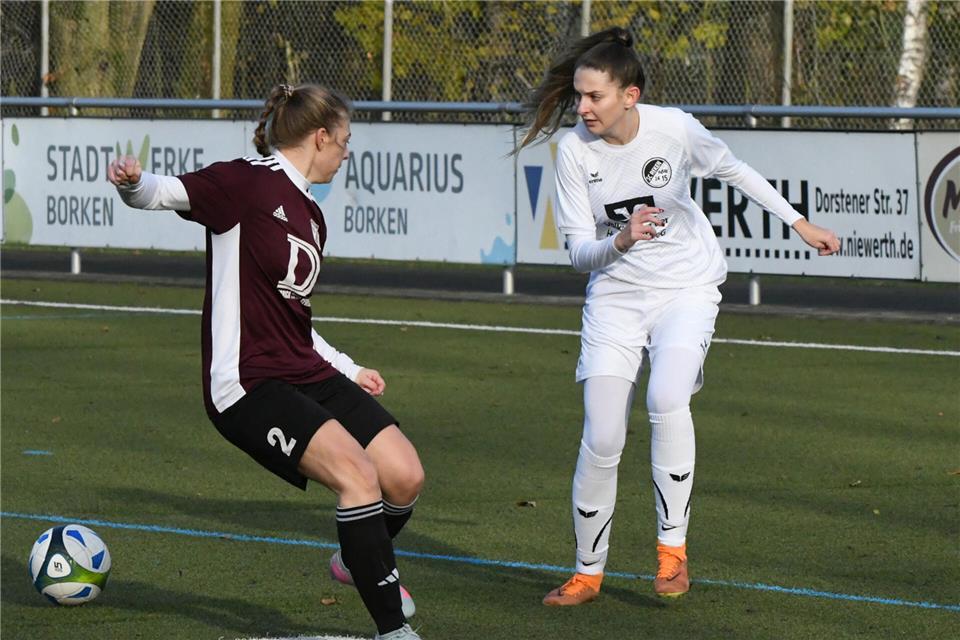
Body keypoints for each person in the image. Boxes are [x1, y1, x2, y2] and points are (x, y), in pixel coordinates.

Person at [515, 28, 840, 605]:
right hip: (615, 298)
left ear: (630, 95)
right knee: (603, 433)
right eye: (579, 98)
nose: (583, 108)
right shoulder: (572, 152)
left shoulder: (675, 128)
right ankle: (587, 574)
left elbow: (736, 171)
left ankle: (672, 556)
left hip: (687, 288)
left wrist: (799, 223)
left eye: (595, 97)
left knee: (667, 398)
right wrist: (620, 241)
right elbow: (577, 255)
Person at [108, 83, 425, 640]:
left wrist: (347, 368)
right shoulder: (245, 181)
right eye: (344, 141)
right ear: (321, 137)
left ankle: (356, 561)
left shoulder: (312, 214)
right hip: (247, 383)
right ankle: (394, 631)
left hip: (304, 371)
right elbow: (164, 193)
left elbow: (294, 321)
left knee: (403, 475)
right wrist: (134, 183)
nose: (347, 153)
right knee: (358, 477)